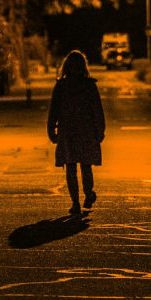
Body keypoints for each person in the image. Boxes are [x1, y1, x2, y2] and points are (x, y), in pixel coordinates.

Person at [47, 50, 106, 217]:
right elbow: (97, 110)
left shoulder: (61, 86)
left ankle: (75, 203)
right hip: (86, 131)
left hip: (67, 131)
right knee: (86, 165)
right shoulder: (89, 85)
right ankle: (88, 194)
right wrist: (100, 130)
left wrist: (51, 130)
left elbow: (53, 111)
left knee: (70, 167)